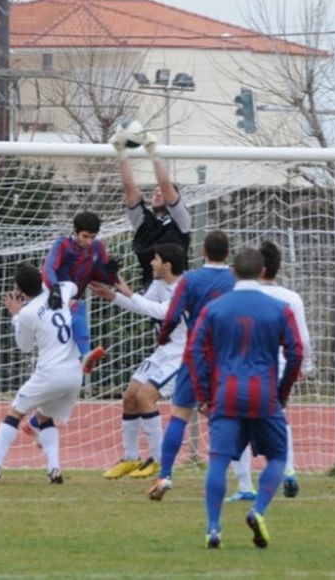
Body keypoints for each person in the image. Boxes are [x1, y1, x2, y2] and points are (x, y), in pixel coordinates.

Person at [189, 247, 303, 549]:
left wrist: (203, 393)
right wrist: (283, 392)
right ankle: (258, 510)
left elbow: (194, 350)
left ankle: (214, 529)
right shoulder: (279, 308)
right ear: (262, 271)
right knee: (278, 456)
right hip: (264, 392)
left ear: (233, 272)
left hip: (226, 391)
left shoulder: (215, 308)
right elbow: (296, 352)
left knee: (218, 459)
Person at [0, 263, 82, 484]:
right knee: (44, 416)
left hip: (50, 372)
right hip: (74, 372)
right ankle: (54, 469)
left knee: (14, 413)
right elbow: (74, 287)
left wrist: (16, 314)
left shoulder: (27, 313)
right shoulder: (60, 289)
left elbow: (24, 347)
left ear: (20, 290)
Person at [143, 231, 235, 497]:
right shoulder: (235, 280)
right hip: (226, 355)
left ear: (203, 251)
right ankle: (239, 479)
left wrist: (163, 336)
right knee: (224, 417)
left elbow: (172, 316)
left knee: (180, 415)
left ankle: (165, 476)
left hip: (196, 354)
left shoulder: (191, 279)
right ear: (227, 253)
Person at [90, 243, 188, 480]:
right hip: (162, 351)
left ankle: (159, 460)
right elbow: (144, 307)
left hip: (181, 354)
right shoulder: (159, 283)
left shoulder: (184, 288)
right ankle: (131, 458)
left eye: (155, 259)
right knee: (130, 397)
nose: (151, 263)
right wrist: (114, 296)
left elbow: (162, 311)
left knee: (145, 397)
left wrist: (126, 291)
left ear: (168, 265)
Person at [228, 240, 315, 502]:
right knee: (278, 419)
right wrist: (305, 366)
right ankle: (288, 471)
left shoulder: (238, 295)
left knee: (236, 423)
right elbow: (303, 339)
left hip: (244, 368)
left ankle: (245, 485)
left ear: (259, 267)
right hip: (279, 370)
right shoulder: (291, 298)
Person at [111, 122, 192, 288]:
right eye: (155, 191)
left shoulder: (181, 220)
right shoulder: (143, 221)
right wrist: (121, 153)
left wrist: (152, 152)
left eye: (161, 192)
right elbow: (130, 189)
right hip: (151, 287)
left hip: (178, 288)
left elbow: (166, 185)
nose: (158, 193)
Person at [42, 210, 119, 372]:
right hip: (52, 296)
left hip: (72, 302)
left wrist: (110, 271)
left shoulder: (98, 248)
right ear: (75, 231)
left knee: (66, 353)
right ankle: (85, 354)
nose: (89, 241)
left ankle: (83, 358)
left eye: (93, 236)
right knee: (78, 307)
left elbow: (100, 277)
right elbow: (49, 267)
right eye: (85, 236)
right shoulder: (63, 244)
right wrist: (55, 289)